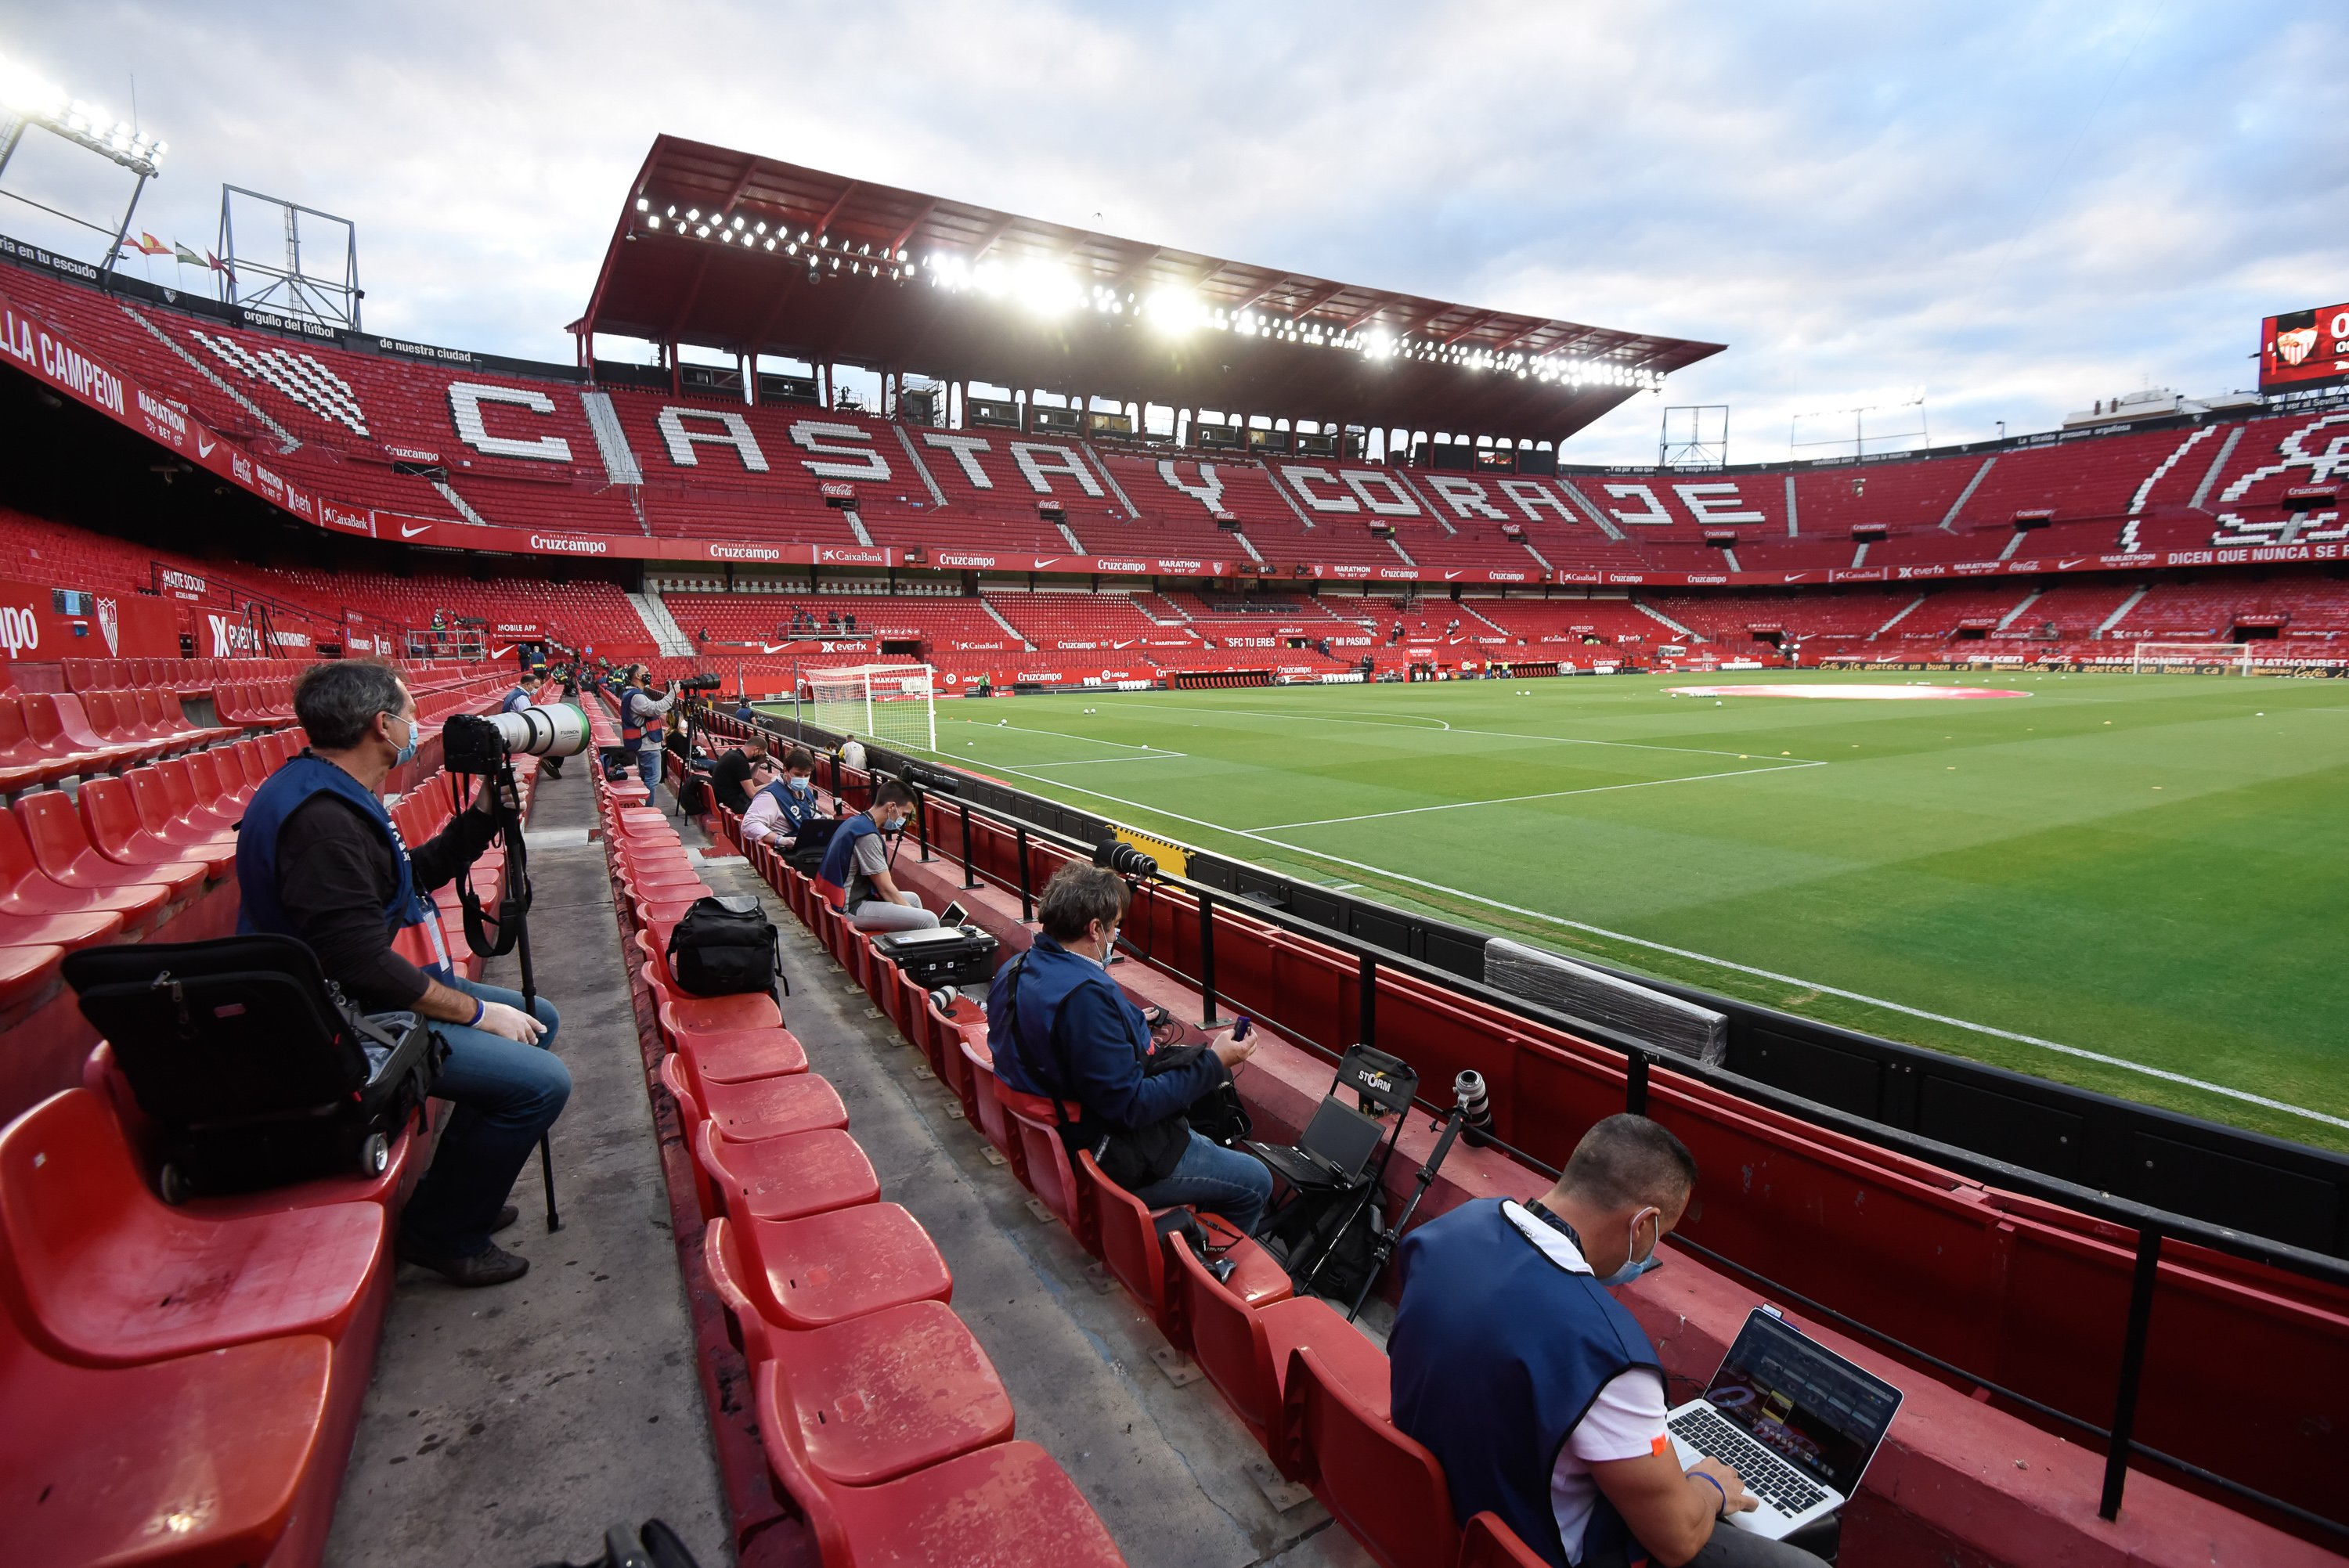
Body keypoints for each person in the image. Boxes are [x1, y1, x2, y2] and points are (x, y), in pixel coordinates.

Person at [236, 661, 569, 1289]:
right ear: (380, 725)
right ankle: (443, 1231)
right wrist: (475, 1012)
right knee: (541, 1082)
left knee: (539, 1017)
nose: (419, 725)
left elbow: (405, 878)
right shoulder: (321, 823)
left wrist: (479, 819)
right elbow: (356, 962)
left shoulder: (333, 791)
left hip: (358, 994)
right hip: (337, 1022)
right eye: (411, 712)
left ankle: (457, 1193)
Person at [1391, 1115, 1820, 1568]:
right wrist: (1710, 1487)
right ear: (1642, 1225)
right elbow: (1677, 1540)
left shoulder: (1448, 1230)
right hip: (1517, 1548)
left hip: (1434, 1513)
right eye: (1661, 1237)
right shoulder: (1609, 1353)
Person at [987, 865, 1270, 1235]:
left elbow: (1055, 1037)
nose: (1117, 934)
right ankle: (1203, 1273)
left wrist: (1123, 1025)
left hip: (1058, 1133)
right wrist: (1216, 1062)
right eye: (1115, 925)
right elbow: (1130, 1107)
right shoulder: (1086, 997)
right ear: (1094, 929)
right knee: (1255, 1180)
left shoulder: (1015, 967)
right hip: (1101, 1152)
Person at [814, 778, 936, 932]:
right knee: (928, 919)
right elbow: (886, 889)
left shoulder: (855, 822)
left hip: (844, 899)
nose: (903, 821)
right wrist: (917, 915)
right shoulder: (867, 836)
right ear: (891, 807)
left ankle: (910, 950)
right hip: (850, 908)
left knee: (914, 899)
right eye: (904, 814)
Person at [740, 747, 824, 849]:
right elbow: (749, 824)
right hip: (793, 853)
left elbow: (811, 815)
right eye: (797, 774)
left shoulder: (805, 792)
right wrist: (780, 840)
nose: (802, 779)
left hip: (808, 846)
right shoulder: (769, 796)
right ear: (785, 770)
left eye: (807, 775)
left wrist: (824, 821)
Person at [616, 664, 676, 792]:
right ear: (638, 675)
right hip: (647, 745)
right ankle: (648, 808)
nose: (649, 674)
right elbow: (655, 709)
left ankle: (645, 805)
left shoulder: (631, 693)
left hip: (644, 743)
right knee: (653, 779)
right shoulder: (636, 697)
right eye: (646, 672)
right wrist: (673, 694)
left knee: (647, 778)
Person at [500, 670, 562, 777]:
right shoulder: (521, 698)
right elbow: (529, 719)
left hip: (517, 729)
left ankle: (549, 760)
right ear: (527, 685)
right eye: (536, 687)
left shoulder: (516, 694)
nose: (536, 690)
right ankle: (549, 760)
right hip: (521, 733)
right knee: (558, 738)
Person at [706, 733, 768, 814]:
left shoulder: (732, 754)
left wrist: (758, 764)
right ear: (756, 749)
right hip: (731, 803)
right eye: (761, 753)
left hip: (723, 798)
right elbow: (752, 793)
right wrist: (772, 784)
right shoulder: (740, 761)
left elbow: (748, 778)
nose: (760, 756)